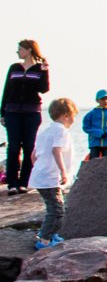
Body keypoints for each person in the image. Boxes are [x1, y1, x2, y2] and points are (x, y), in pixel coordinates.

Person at [28, 98, 77, 249]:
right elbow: (56, 150)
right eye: (73, 116)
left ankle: (52, 234)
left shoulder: (45, 131)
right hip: (50, 178)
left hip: (42, 176)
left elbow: (33, 156)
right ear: (65, 115)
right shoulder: (61, 131)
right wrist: (63, 172)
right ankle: (44, 239)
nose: (74, 120)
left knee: (54, 208)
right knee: (57, 210)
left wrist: (39, 170)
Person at [3, 40, 50, 194]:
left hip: (32, 112)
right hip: (12, 112)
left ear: (29, 50)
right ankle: (12, 183)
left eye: (20, 49)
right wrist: (2, 113)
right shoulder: (14, 68)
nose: (18, 52)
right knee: (13, 147)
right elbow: (6, 90)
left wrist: (45, 71)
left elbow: (44, 89)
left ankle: (25, 182)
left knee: (29, 147)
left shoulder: (39, 68)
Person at [81, 90, 107, 159]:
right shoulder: (91, 114)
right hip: (94, 142)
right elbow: (86, 127)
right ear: (97, 100)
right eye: (103, 99)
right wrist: (98, 133)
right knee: (93, 163)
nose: (105, 101)